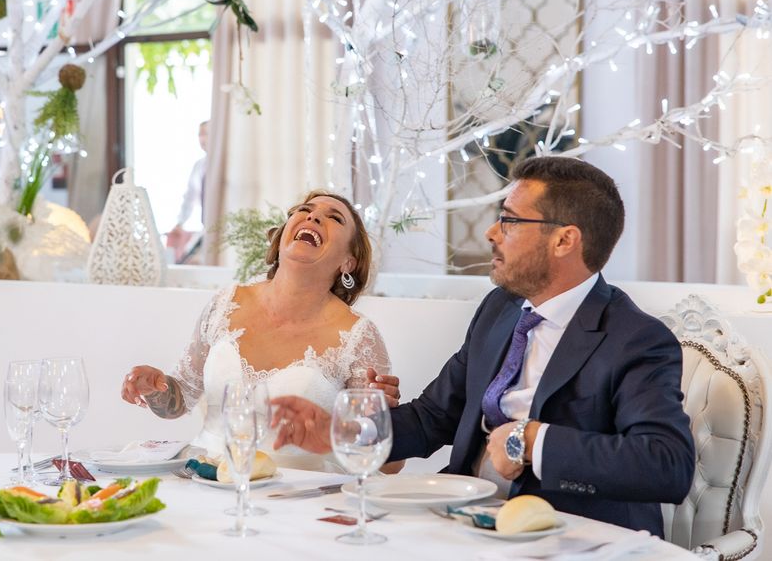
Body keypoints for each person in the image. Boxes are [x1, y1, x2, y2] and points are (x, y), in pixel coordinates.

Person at [270, 156, 695, 537]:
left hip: (561, 536)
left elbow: (666, 465)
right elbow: (434, 417)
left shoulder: (636, 338)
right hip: (461, 522)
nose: (492, 233)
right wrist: (340, 432)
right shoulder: (501, 309)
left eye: (509, 221)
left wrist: (530, 442)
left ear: (564, 240)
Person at [122, 190, 401, 472]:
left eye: (334, 218)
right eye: (305, 209)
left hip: (299, 496)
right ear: (282, 237)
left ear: (348, 262)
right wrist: (154, 387)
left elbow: (390, 464)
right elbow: (180, 398)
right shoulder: (225, 303)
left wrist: (376, 418)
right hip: (208, 478)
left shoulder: (358, 335)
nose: (314, 216)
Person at [166, 120, 209, 263]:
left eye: (206, 134)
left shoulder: (225, 164)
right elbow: (190, 198)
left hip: (221, 228)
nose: (202, 139)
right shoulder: (199, 166)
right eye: (200, 135)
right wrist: (180, 223)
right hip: (206, 227)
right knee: (185, 259)